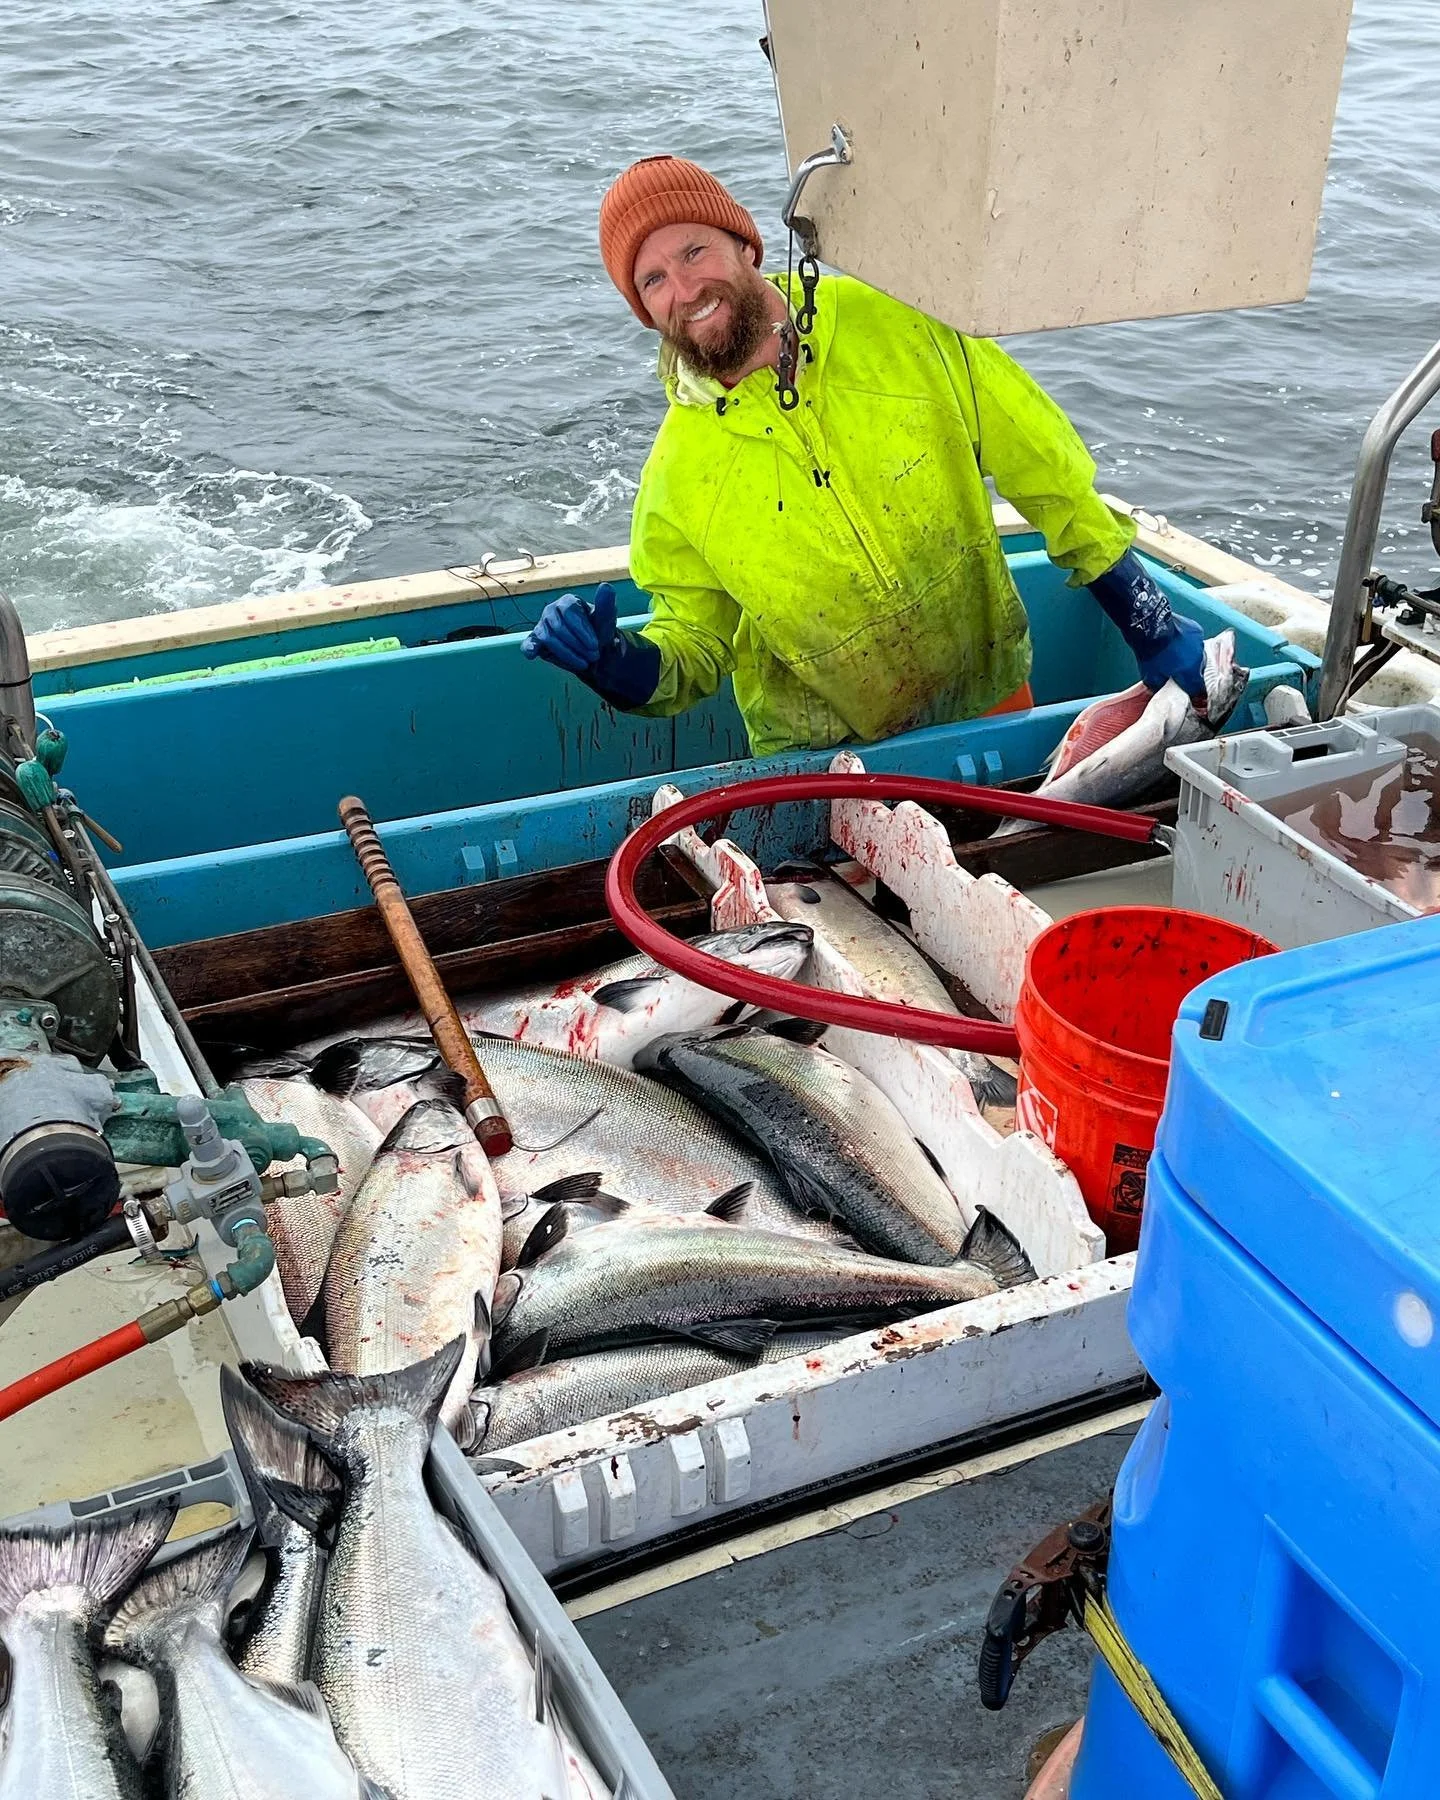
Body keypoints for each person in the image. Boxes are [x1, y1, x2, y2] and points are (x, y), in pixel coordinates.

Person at [523, 155, 1207, 758]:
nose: (685, 289)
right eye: (653, 280)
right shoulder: (675, 478)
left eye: (694, 251)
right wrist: (616, 663)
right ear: (645, 312)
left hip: (986, 698)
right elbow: (694, 648)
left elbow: (1048, 472)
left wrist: (1144, 616)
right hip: (824, 760)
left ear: (745, 245)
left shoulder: (899, 320)